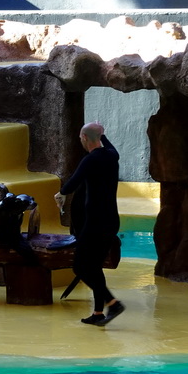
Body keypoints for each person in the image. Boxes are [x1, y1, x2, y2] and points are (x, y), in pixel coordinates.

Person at [55, 122, 125, 325]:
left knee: (80, 266)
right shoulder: (112, 155)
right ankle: (97, 313)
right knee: (94, 266)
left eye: (81, 138)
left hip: (95, 223)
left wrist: (60, 194)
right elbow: (106, 142)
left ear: (85, 138)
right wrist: (100, 133)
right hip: (111, 221)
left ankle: (113, 303)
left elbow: (72, 183)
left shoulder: (90, 160)